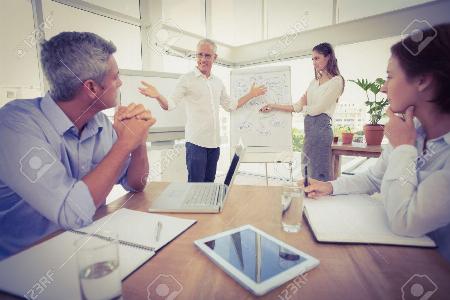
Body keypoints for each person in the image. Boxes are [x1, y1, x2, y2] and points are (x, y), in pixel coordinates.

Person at [0, 32, 156, 259]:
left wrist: (138, 141)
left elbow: (136, 185)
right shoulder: (14, 126)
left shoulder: (100, 124)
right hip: (25, 265)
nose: (120, 82)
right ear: (91, 88)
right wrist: (123, 144)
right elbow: (71, 214)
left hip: (85, 248)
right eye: (116, 77)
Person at [303, 24, 450, 262]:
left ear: (422, 80)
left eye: (390, 76)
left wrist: (404, 148)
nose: (382, 87)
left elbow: (405, 221)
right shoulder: (413, 132)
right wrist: (330, 187)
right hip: (406, 257)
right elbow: (373, 179)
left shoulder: (408, 140)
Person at [139, 39, 267, 182]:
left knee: (209, 188)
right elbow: (170, 105)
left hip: (214, 144)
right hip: (196, 144)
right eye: (200, 55)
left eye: (207, 55)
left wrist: (252, 94)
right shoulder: (186, 79)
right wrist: (158, 96)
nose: (203, 59)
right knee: (195, 189)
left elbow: (231, 105)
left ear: (215, 57)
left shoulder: (218, 82)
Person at [261, 42, 344, 181]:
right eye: (312, 59)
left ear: (328, 57)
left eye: (317, 58)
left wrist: (305, 108)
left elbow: (319, 109)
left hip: (321, 131)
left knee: (319, 175)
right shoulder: (313, 82)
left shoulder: (337, 81)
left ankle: (321, 201)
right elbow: (297, 106)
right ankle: (309, 201)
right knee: (307, 173)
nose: (313, 62)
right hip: (309, 133)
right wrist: (273, 106)